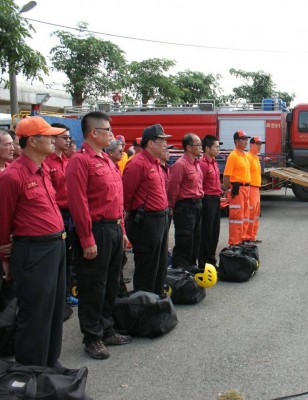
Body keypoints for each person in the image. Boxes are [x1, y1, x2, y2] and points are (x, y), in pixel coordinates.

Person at [0, 116, 67, 367]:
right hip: (34, 251)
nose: (54, 140)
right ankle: (31, 371)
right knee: (34, 313)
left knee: (53, 308)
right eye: (48, 136)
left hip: (54, 247)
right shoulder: (12, 176)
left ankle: (50, 361)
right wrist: (6, 259)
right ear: (33, 140)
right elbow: (3, 222)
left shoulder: (43, 170)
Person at [66, 111, 132, 360]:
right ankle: (92, 337)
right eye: (108, 130)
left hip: (114, 229)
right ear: (94, 132)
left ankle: (106, 328)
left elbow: (117, 200)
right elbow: (78, 203)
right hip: (96, 230)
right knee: (93, 286)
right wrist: (86, 239)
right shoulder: (80, 161)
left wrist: (123, 231)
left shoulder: (107, 160)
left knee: (111, 283)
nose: (112, 134)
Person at [122, 124, 171, 295]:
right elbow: (126, 195)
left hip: (161, 218)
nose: (165, 144)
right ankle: (144, 304)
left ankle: (156, 300)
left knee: (160, 264)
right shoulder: (137, 163)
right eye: (162, 141)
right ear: (150, 143)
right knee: (147, 266)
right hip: (146, 221)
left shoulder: (156, 162)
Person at [44, 123, 79, 306]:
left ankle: (66, 293)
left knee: (68, 258)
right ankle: (59, 297)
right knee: (58, 259)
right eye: (63, 138)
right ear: (53, 138)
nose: (68, 141)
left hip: (70, 214)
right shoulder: (46, 163)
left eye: (68, 138)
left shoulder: (67, 161)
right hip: (57, 215)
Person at [167, 133, 204, 270]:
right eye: (198, 145)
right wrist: (172, 207)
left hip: (197, 204)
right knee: (185, 240)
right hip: (185, 206)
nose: (201, 147)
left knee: (196, 238)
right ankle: (180, 270)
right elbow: (172, 188)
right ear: (188, 147)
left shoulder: (196, 163)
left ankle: (191, 267)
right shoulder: (180, 165)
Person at [222, 130, 251, 246]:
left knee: (244, 216)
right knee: (236, 217)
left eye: (246, 140)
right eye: (243, 140)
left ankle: (242, 239)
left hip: (245, 189)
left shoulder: (244, 155)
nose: (246, 142)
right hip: (237, 190)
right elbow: (226, 176)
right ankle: (234, 242)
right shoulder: (233, 156)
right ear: (236, 142)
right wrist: (228, 190)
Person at [199, 135, 222, 267]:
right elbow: (199, 184)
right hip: (207, 200)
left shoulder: (214, 162)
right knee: (206, 233)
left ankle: (211, 261)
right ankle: (203, 263)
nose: (218, 149)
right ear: (207, 148)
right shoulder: (202, 164)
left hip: (215, 199)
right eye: (216, 147)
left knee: (214, 233)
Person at [245, 136, 264, 243]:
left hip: (256, 189)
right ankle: (247, 237)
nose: (260, 146)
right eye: (258, 144)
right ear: (251, 145)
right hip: (251, 188)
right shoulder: (248, 157)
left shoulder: (255, 157)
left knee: (255, 215)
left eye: (260, 144)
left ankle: (252, 236)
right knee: (250, 214)